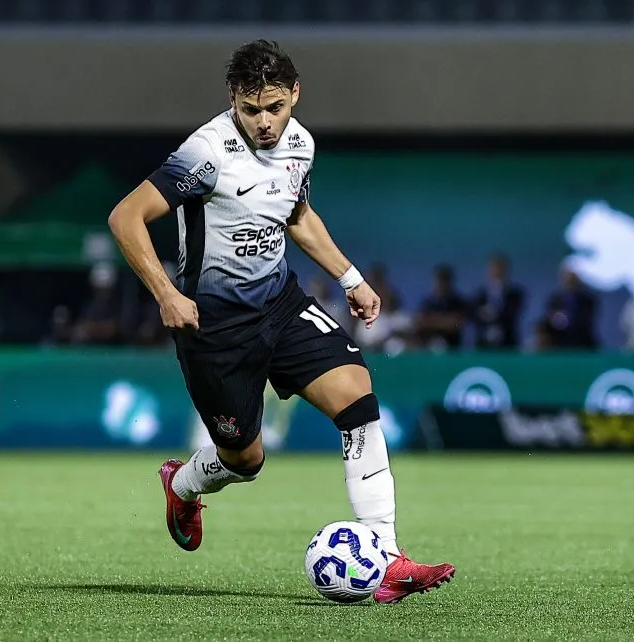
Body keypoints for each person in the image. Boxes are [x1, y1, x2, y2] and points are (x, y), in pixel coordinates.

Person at [107, 40, 454, 604]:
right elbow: (126, 217)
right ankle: (183, 483)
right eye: (251, 110)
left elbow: (297, 215)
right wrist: (166, 293)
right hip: (213, 326)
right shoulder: (206, 153)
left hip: (280, 303)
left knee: (356, 396)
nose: (264, 122)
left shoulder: (299, 144)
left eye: (274, 107)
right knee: (245, 460)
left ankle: (389, 557)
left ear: (295, 94)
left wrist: (350, 278)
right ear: (233, 100)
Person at [469, 253, 525, 350]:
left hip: (508, 344)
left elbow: (511, 314)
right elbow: (474, 315)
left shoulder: (515, 294)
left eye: (500, 269)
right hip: (483, 345)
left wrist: (489, 313)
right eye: (494, 269)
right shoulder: (480, 295)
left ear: (506, 271)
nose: (497, 272)